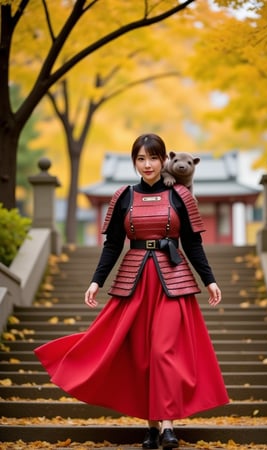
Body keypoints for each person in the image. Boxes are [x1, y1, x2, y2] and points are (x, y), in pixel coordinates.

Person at [35, 133, 229, 449]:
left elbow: (193, 243)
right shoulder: (122, 196)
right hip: (134, 282)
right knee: (140, 356)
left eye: (154, 157)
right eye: (141, 158)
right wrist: (96, 281)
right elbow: (112, 245)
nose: (148, 164)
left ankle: (167, 426)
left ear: (165, 159)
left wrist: (210, 280)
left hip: (173, 281)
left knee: (163, 351)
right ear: (134, 162)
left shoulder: (181, 195)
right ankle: (151, 427)